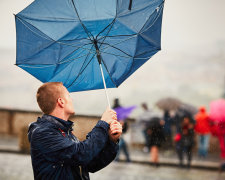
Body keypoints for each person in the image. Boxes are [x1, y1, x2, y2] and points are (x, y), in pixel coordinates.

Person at [28, 82, 122, 180]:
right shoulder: (43, 133)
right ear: (61, 101)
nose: (71, 99)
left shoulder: (65, 132)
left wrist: (111, 140)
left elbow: (90, 164)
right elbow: (82, 154)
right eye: (68, 96)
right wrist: (103, 123)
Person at [113, 98, 130, 162]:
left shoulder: (114, 108)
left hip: (119, 129)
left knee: (119, 145)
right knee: (123, 145)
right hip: (122, 130)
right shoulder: (120, 108)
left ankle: (116, 159)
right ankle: (128, 159)